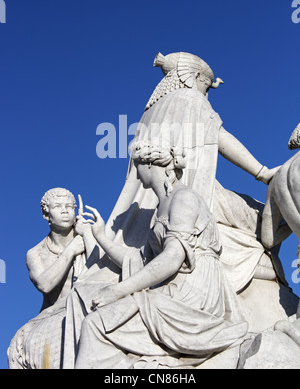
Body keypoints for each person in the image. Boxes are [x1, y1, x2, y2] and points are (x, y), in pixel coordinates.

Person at [74, 142, 248, 369]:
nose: (135, 172)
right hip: (172, 285)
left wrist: (117, 290)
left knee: (96, 324)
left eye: (136, 166)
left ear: (148, 165)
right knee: (85, 302)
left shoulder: (183, 198)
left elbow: (173, 258)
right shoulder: (161, 207)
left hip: (192, 292)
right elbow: (138, 261)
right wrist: (100, 237)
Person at [8, 188, 98, 369]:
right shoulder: (36, 253)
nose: (65, 211)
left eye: (69, 206)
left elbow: (103, 268)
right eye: (57, 206)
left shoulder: (88, 235)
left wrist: (88, 234)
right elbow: (45, 284)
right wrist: (72, 249)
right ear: (46, 214)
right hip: (53, 312)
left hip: (89, 303)